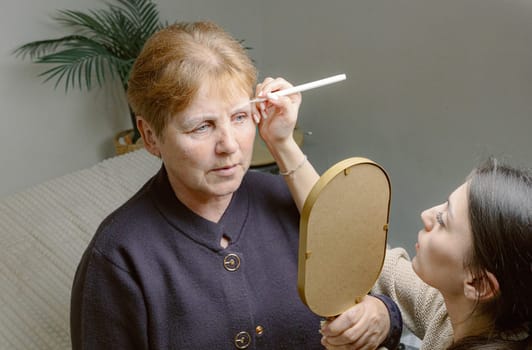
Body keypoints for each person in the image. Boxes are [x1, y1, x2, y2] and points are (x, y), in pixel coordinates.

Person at [70, 20, 402, 349]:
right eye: (202, 127)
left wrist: (382, 315)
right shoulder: (118, 257)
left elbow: (365, 293)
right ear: (150, 136)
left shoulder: (290, 199)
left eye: (240, 117)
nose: (229, 144)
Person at [313, 158, 532, 349]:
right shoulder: (458, 311)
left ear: (478, 284)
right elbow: (368, 255)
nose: (426, 215)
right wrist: (285, 146)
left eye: (442, 221)